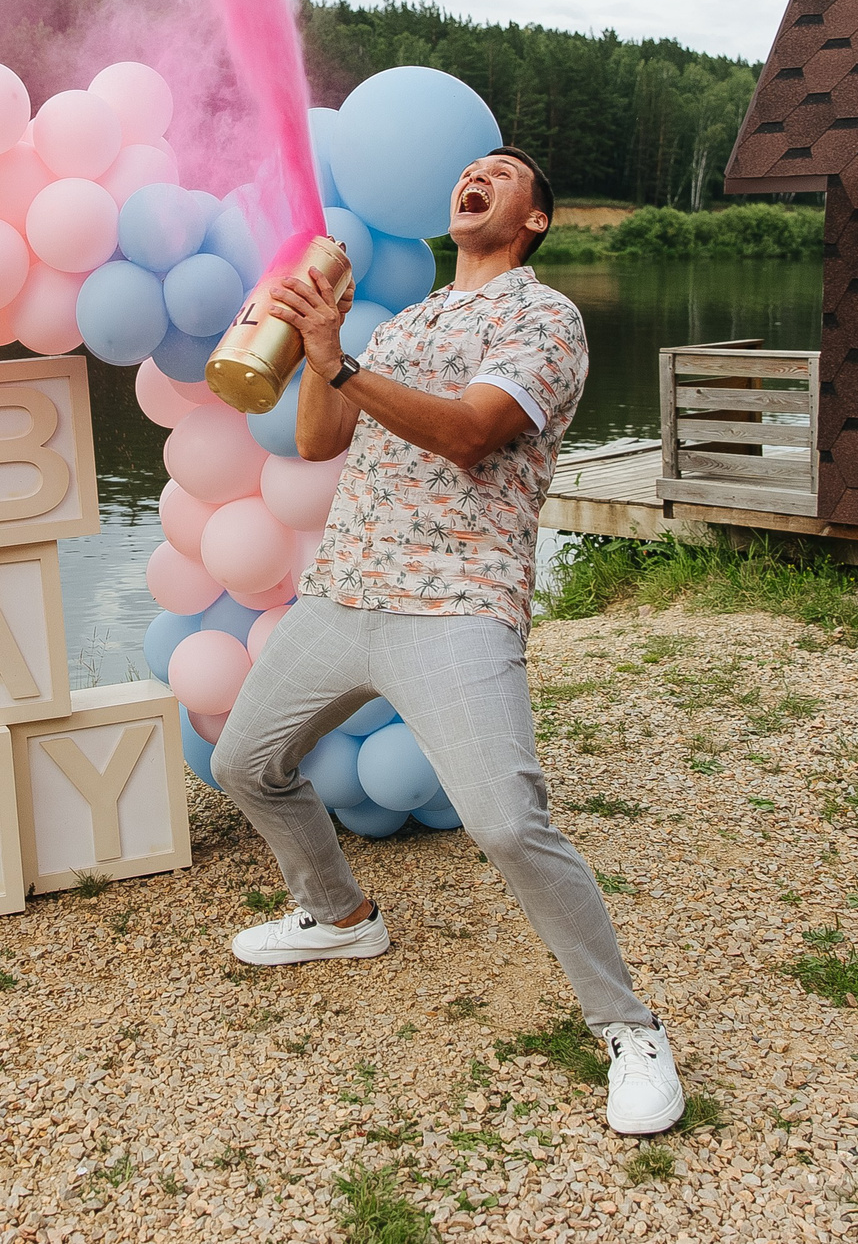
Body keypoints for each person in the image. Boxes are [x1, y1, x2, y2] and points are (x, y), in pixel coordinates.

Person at [210, 145, 684, 1136]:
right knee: (245, 763)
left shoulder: (542, 316)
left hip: (456, 600)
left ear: (535, 218)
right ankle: (340, 916)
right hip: (344, 593)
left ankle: (629, 1029)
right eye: (468, 168)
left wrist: (344, 361)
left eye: (502, 171)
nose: (477, 174)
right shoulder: (408, 320)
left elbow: (472, 432)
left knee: (509, 825)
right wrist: (314, 345)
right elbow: (316, 442)